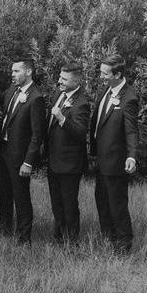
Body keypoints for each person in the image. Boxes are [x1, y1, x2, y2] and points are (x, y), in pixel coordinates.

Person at [0, 57, 47, 245]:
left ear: (28, 72)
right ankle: (4, 230)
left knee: (21, 197)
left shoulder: (36, 98)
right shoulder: (13, 89)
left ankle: (24, 238)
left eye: (16, 71)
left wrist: (28, 162)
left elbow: (37, 135)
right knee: (3, 193)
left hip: (20, 156)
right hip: (4, 150)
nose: (12, 74)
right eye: (12, 71)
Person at [90, 54, 138, 254]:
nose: (101, 76)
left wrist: (131, 156)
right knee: (102, 201)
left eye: (105, 73)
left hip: (115, 161)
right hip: (101, 159)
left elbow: (131, 130)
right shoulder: (106, 90)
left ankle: (124, 246)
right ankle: (108, 240)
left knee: (117, 204)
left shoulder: (129, 98)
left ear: (117, 74)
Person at [45, 63, 90, 244]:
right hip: (53, 160)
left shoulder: (82, 103)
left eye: (64, 79)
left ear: (77, 81)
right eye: (60, 77)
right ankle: (58, 238)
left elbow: (80, 132)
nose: (59, 81)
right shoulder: (59, 94)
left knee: (69, 205)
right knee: (56, 204)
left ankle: (72, 242)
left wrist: (62, 118)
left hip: (70, 163)